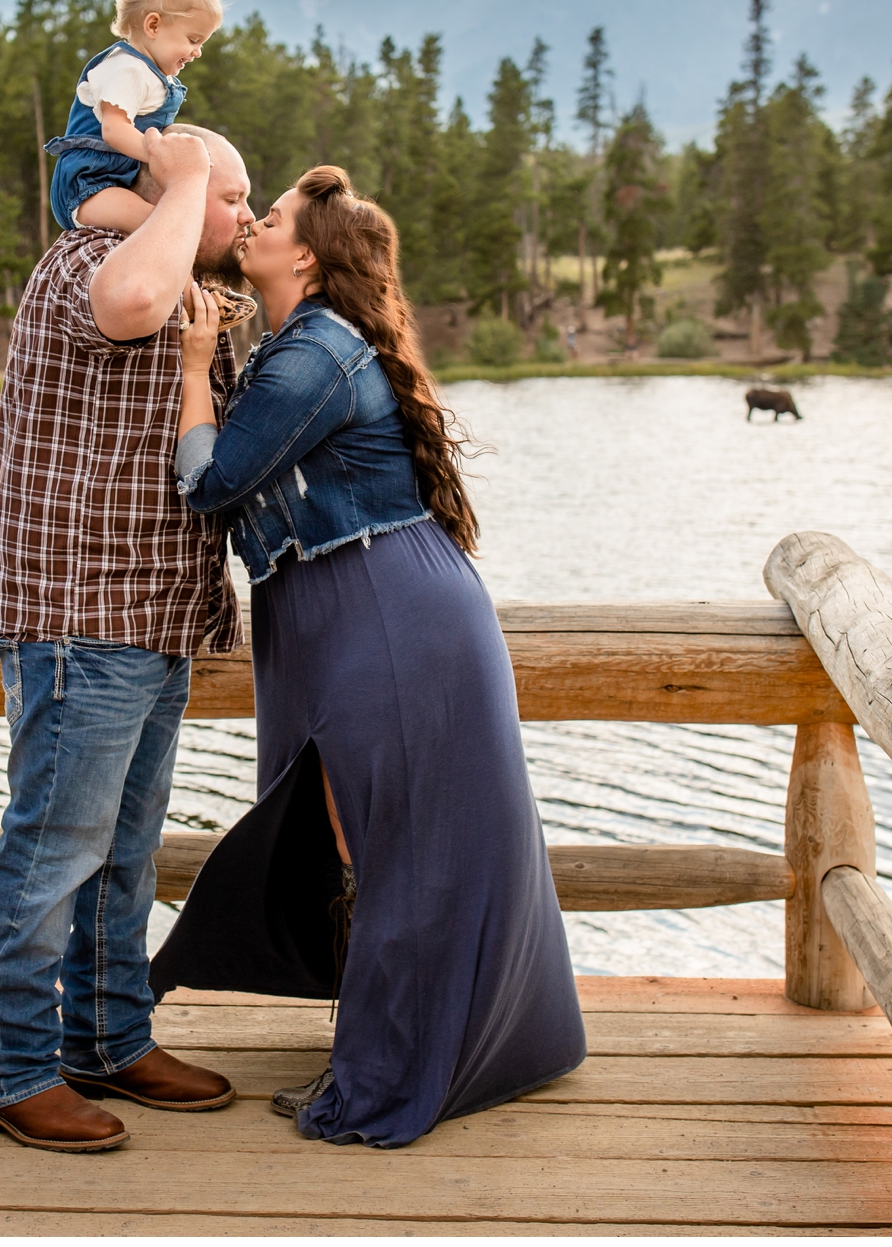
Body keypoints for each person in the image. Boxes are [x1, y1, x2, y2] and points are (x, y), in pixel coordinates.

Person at [150, 165, 585, 1148]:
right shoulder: (298, 345)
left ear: (304, 254)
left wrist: (189, 368)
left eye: (270, 218)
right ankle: (418, 1041)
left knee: (398, 847)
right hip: (351, 603)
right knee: (361, 842)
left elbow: (213, 481)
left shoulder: (313, 356)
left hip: (380, 611)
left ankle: (393, 1069)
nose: (252, 225)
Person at [0, 124, 257, 1153]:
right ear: (171, 186)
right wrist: (183, 175)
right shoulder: (92, 264)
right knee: (52, 852)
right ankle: (9, 1068)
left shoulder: (187, 286)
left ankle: (107, 1039)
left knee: (124, 855)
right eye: (233, 197)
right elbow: (132, 301)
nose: (245, 217)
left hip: (153, 616)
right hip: (81, 614)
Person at [43, 0, 225, 236]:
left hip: (115, 179)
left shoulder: (150, 73)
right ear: (152, 26)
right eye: (193, 40)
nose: (198, 52)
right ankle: (184, 281)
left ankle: (186, 278)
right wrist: (162, 155)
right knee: (158, 224)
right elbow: (114, 130)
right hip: (88, 185)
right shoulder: (128, 70)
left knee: (170, 219)